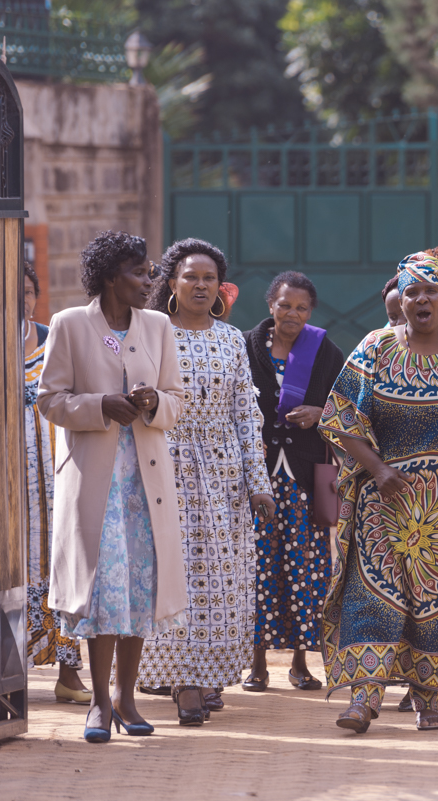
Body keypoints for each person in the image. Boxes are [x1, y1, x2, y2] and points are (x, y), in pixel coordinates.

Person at [319, 252, 438, 733]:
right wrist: (378, 470)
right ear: (399, 300)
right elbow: (340, 419)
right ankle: (363, 701)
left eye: (431, 290)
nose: (421, 299)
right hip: (382, 500)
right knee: (374, 595)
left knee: (437, 603)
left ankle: (428, 697)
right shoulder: (375, 348)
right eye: (412, 292)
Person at [37, 231, 186, 742]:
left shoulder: (159, 326)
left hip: (146, 484)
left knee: (139, 588)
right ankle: (99, 703)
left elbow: (175, 400)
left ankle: (127, 696)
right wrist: (101, 405)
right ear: (109, 277)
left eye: (149, 272)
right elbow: (51, 399)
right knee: (103, 589)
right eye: (139, 273)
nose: (150, 281)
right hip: (95, 479)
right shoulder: (70, 324)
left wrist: (150, 403)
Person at [136, 238, 274, 726]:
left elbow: (244, 415)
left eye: (209, 278)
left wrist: (260, 483)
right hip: (162, 467)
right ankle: (183, 681)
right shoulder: (151, 333)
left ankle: (206, 673)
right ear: (171, 282)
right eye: (190, 276)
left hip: (222, 477)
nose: (200, 285)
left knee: (218, 580)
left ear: (221, 286)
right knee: (170, 576)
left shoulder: (232, 339)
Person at [242, 272, 345, 693]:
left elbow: (348, 402)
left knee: (305, 569)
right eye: (285, 305)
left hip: (303, 478)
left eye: (301, 308)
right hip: (257, 478)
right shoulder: (246, 347)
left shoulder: (323, 349)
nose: (293, 314)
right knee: (258, 567)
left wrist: (321, 414)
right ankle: (257, 664)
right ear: (271, 304)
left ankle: (302, 663)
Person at [21, 262, 89, 704]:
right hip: (4, 484)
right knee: (11, 568)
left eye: (27, 291)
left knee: (64, 562)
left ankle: (69, 671)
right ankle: (5, 672)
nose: (20, 300)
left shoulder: (53, 341)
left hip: (56, 474)